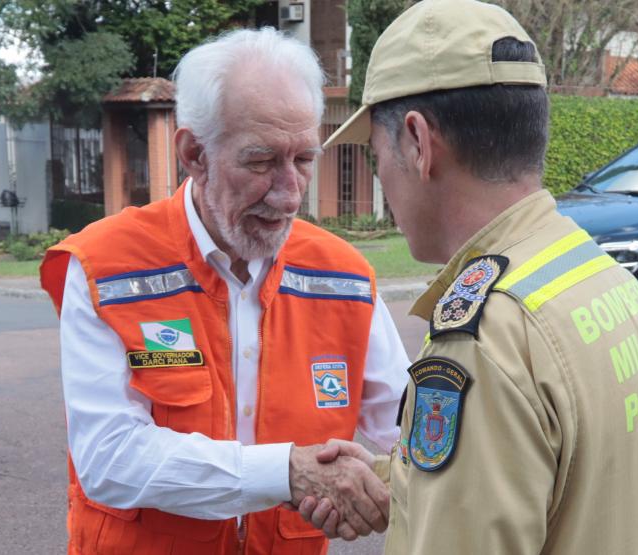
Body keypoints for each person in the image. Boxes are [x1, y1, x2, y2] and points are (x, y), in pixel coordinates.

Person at [298, 0, 638, 553]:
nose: (383, 177)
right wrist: (397, 481)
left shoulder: (484, 339)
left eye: (377, 155)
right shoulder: (595, 274)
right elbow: (558, 477)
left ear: (418, 143)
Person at [39, 28, 409, 554]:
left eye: (304, 159)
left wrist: (380, 485)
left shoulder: (343, 276)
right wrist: (286, 473)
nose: (289, 193)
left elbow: (410, 425)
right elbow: (109, 459)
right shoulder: (107, 266)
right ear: (194, 153)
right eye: (260, 162)